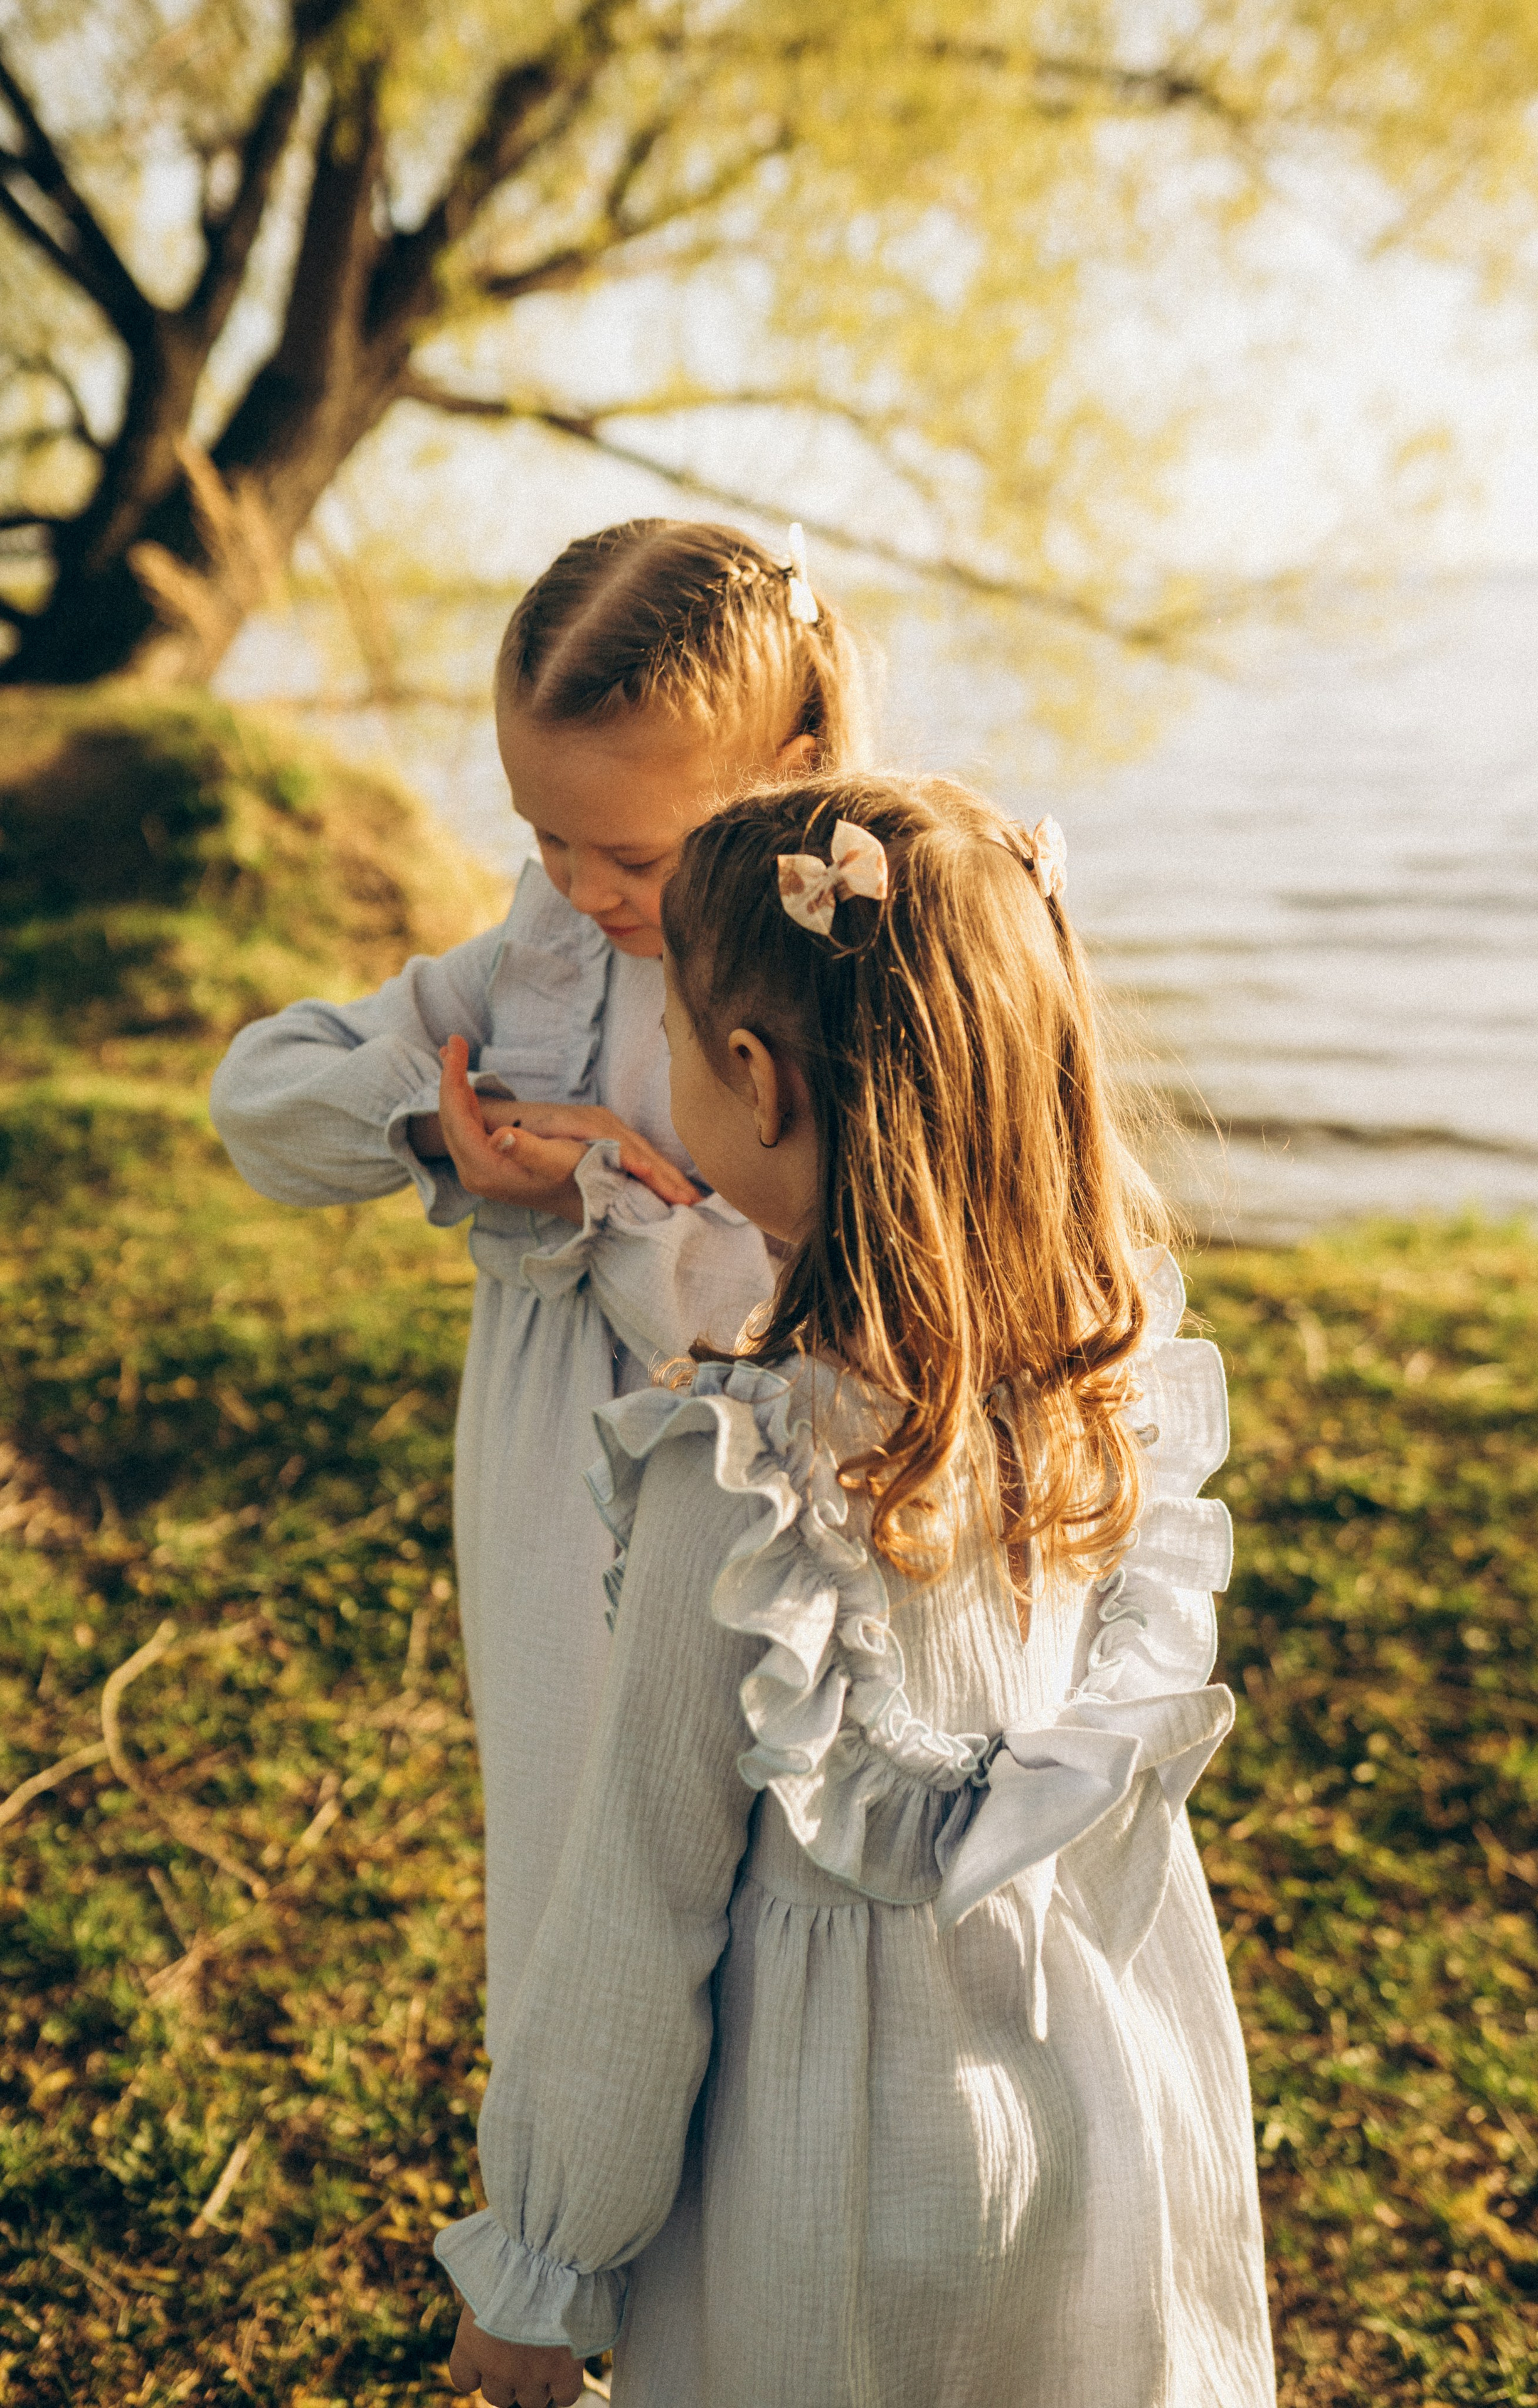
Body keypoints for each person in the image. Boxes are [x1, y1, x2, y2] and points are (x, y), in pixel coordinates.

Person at [434, 773, 1276, 2407]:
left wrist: (544, 2267)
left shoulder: (739, 1484)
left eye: (679, 1031)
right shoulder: (1104, 1393)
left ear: (752, 1080)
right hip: (1094, 2084)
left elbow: (638, 1900)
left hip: (825, 2152)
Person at [209, 519, 869, 2054]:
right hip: (537, 1470)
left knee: (730, 1872)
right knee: (572, 1850)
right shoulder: (536, 966)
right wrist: (439, 1115)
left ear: (792, 755)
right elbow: (259, 1105)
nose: (578, 888)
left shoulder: (832, 984)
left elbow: (796, 1335)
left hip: (747, 1500)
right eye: (542, 835)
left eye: (629, 855)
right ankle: (571, 2215)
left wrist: (604, 1192)